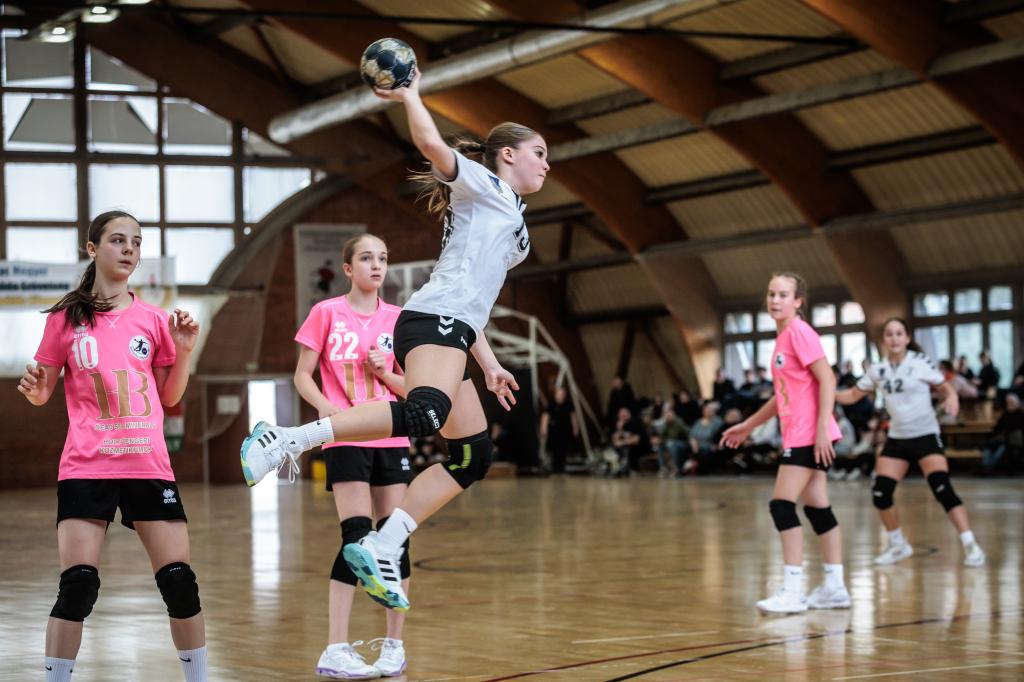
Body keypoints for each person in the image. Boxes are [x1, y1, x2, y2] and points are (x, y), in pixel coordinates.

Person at [238, 66, 548, 613]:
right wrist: (410, 95)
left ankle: (383, 545)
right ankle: (285, 440)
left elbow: (476, 299)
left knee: (472, 456)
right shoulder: (485, 185)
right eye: (539, 152)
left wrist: (489, 363)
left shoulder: (517, 224)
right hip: (432, 320)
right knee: (426, 413)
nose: (546, 163)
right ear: (507, 155)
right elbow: (430, 145)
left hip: (456, 328)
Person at [18, 211, 207, 682]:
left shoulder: (154, 319)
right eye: (118, 240)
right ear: (92, 248)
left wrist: (184, 349)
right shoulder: (65, 319)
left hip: (148, 464)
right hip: (87, 466)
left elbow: (170, 396)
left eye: (136, 243)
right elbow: (43, 392)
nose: (129, 250)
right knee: (78, 587)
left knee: (180, 584)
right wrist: (34, 389)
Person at [292, 234, 411, 678]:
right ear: (347, 268)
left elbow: (411, 387)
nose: (376, 265)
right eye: (366, 258)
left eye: (382, 258)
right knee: (357, 540)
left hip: (391, 436)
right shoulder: (326, 313)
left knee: (395, 540)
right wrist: (326, 408)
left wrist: (386, 373)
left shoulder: (398, 319)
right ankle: (335, 647)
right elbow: (302, 375)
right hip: (344, 438)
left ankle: (394, 646)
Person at [721, 272, 849, 614]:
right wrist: (748, 425)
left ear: (798, 301)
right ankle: (835, 587)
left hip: (809, 434)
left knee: (781, 505)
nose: (775, 300)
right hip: (802, 432)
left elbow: (828, 379)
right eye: (771, 294)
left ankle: (793, 592)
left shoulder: (799, 332)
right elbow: (782, 397)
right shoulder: (782, 338)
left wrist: (821, 429)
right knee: (817, 507)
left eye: (783, 295)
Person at [836, 318, 986, 567]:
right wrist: (825, 392)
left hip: (925, 435)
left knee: (942, 489)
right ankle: (898, 545)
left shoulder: (919, 363)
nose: (894, 338)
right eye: (889, 334)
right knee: (881, 493)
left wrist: (952, 397)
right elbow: (852, 395)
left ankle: (971, 545)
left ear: (906, 338)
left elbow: (944, 386)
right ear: (884, 339)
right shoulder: (878, 369)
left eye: (899, 333)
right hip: (898, 438)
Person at [981, 392, 1024, 475]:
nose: (1009, 404)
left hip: (1012, 441)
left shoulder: (1021, 414)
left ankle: (989, 468)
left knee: (1001, 448)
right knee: (988, 446)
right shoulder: (1005, 414)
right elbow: (997, 428)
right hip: (1001, 438)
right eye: (1008, 402)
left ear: (1016, 403)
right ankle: (985, 466)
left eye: (1011, 402)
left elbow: (1017, 430)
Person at [540, 386, 578, 474]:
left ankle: (562, 467)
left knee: (563, 449)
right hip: (554, 431)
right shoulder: (551, 404)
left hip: (565, 430)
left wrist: (575, 428)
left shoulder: (568, 404)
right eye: (559, 394)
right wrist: (543, 428)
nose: (560, 396)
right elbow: (545, 417)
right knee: (554, 450)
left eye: (562, 394)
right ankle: (555, 468)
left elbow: (573, 417)